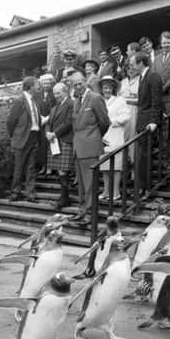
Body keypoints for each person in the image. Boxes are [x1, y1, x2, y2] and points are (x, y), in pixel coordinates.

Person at [70, 71, 110, 225]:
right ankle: (82, 211)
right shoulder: (76, 101)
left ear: (85, 82)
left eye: (80, 84)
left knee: (90, 184)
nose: (78, 87)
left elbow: (105, 122)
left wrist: (95, 138)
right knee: (81, 184)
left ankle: (90, 214)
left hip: (90, 147)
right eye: (75, 85)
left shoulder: (95, 98)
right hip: (78, 148)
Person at [131, 53, 163, 193]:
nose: (131, 66)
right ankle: (141, 185)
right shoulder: (141, 77)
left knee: (144, 156)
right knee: (141, 156)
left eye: (133, 63)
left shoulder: (153, 76)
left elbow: (156, 100)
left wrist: (154, 121)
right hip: (141, 121)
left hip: (148, 122)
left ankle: (144, 187)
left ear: (140, 63)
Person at [7, 76, 42, 203]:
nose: (39, 86)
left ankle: (31, 195)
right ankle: (15, 193)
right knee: (19, 167)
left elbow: (35, 118)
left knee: (31, 167)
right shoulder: (19, 100)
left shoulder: (35, 100)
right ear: (30, 86)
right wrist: (15, 136)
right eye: (37, 84)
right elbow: (11, 121)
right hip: (21, 138)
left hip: (34, 136)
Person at [98, 76, 129, 201]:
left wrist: (113, 121)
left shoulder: (120, 100)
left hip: (115, 134)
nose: (107, 90)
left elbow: (126, 116)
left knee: (115, 167)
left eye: (109, 87)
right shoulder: (99, 101)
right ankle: (106, 191)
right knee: (105, 166)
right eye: (105, 87)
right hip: (103, 136)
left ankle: (115, 192)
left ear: (113, 88)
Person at [45, 82, 74, 210]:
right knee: (59, 169)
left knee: (63, 170)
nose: (56, 96)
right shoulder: (54, 107)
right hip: (55, 141)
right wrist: (48, 133)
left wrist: (55, 133)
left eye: (58, 93)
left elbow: (69, 122)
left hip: (65, 140)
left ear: (65, 91)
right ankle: (64, 197)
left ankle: (65, 198)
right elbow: (50, 122)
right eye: (54, 93)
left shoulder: (71, 104)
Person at [35, 74, 57, 175]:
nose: (46, 85)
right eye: (44, 83)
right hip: (40, 122)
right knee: (41, 144)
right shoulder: (38, 94)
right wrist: (40, 117)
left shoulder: (54, 94)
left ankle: (50, 167)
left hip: (51, 121)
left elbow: (56, 107)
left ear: (51, 83)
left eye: (48, 83)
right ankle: (43, 166)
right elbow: (35, 107)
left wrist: (48, 118)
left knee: (49, 144)